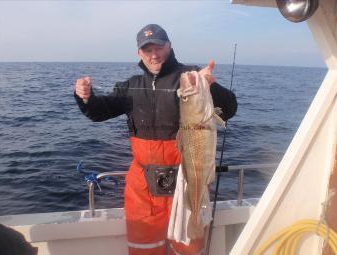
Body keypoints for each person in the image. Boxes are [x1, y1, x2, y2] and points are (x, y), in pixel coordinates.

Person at [74, 24, 237, 255]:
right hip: (142, 188)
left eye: (159, 46)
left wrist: (210, 86)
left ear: (169, 46)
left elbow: (229, 108)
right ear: (139, 53)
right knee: (143, 249)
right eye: (147, 49)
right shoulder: (130, 86)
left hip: (186, 179)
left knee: (190, 248)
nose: (154, 54)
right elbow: (99, 112)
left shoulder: (191, 77)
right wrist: (85, 98)